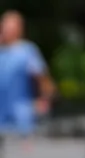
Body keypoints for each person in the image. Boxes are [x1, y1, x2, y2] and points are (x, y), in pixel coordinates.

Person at [0, 10, 55, 145]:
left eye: (10, 27)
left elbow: (42, 78)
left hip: (20, 114)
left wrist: (45, 99)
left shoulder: (27, 51)